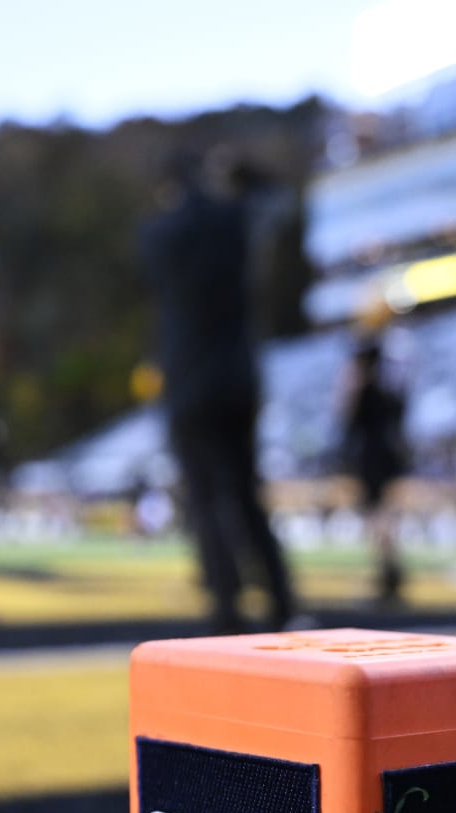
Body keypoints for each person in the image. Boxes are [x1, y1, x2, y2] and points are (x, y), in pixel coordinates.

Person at [140, 149, 297, 634]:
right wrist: (244, 175)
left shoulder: (161, 233)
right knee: (247, 493)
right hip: (238, 378)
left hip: (188, 382)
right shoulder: (234, 218)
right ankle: (280, 600)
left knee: (205, 496)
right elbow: (281, 203)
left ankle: (226, 604)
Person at [337, 296, 411, 602]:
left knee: (376, 509)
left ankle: (389, 572)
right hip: (389, 439)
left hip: (373, 443)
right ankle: (389, 569)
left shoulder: (371, 353)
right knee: (381, 510)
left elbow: (348, 400)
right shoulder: (400, 349)